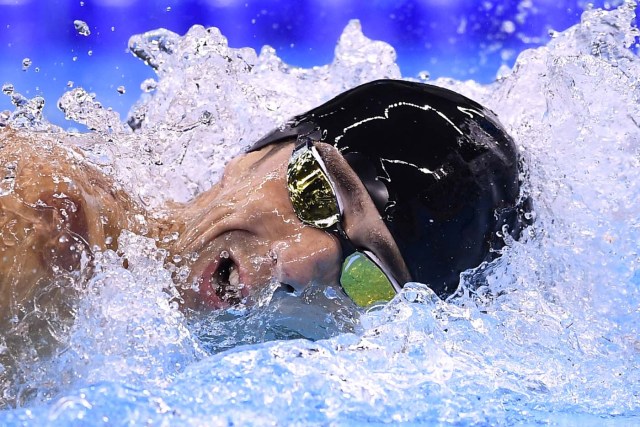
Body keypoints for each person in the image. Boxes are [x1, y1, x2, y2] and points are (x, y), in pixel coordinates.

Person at [0, 79, 529, 326]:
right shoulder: (41, 220)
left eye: (365, 280)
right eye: (316, 191)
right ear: (259, 154)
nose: (301, 264)